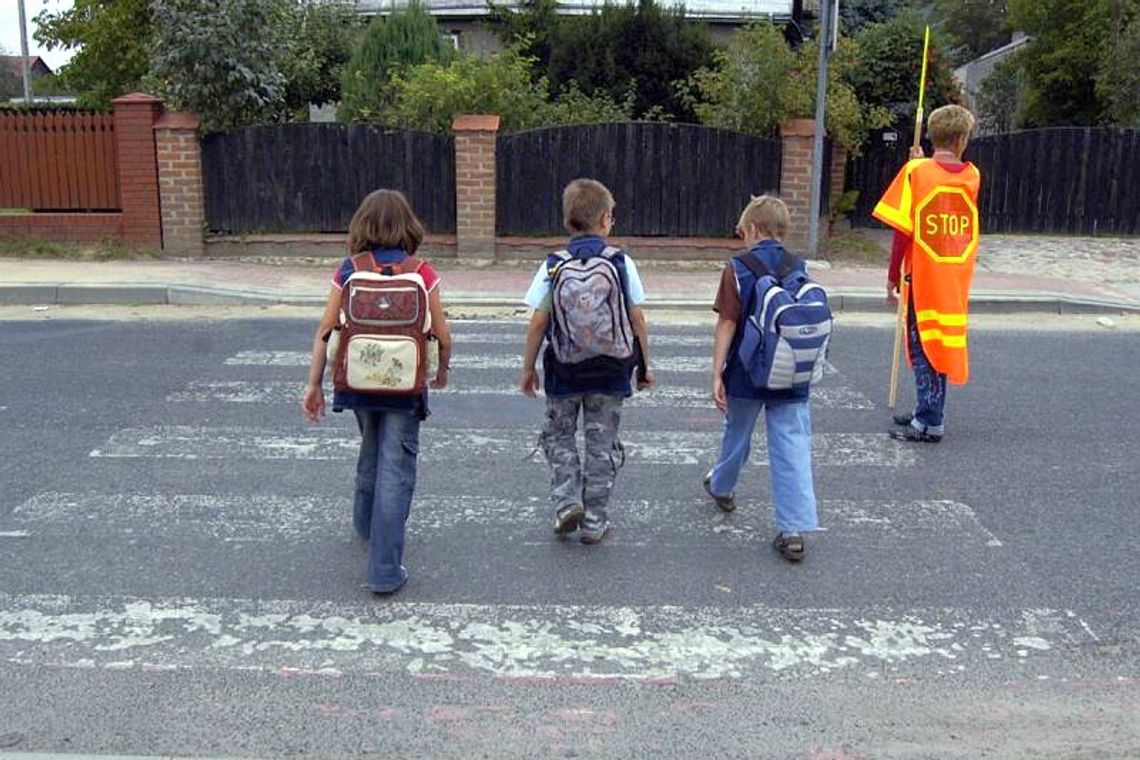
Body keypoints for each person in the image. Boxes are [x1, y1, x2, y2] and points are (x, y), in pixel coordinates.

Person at [301, 189, 451, 594]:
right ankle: (384, 569)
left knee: (371, 444)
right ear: (408, 226)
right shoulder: (422, 272)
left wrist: (314, 383)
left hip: (358, 381)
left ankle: (365, 524)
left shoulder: (349, 269)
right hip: (405, 385)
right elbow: (441, 332)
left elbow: (325, 331)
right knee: (395, 466)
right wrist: (442, 371)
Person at [519, 178, 653, 544]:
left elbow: (538, 322)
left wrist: (528, 368)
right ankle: (595, 521)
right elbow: (636, 318)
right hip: (611, 372)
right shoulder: (621, 263)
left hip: (564, 371)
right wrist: (645, 366)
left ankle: (566, 503)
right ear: (607, 219)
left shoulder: (553, 265)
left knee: (559, 435)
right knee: (602, 444)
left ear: (568, 221)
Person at [704, 195, 819, 562]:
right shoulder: (797, 264)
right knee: (792, 446)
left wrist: (717, 372)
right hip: (791, 370)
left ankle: (723, 487)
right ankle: (793, 529)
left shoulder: (738, 267)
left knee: (737, 434)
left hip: (747, 372)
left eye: (741, 231)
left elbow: (727, 322)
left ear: (752, 229)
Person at [875, 105, 981, 443]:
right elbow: (945, 173)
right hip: (954, 277)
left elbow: (902, 230)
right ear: (963, 139)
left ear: (932, 135)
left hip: (923, 277)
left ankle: (930, 421)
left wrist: (893, 274)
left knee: (924, 347)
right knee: (941, 343)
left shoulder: (915, 173)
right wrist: (919, 163)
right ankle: (927, 407)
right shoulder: (973, 176)